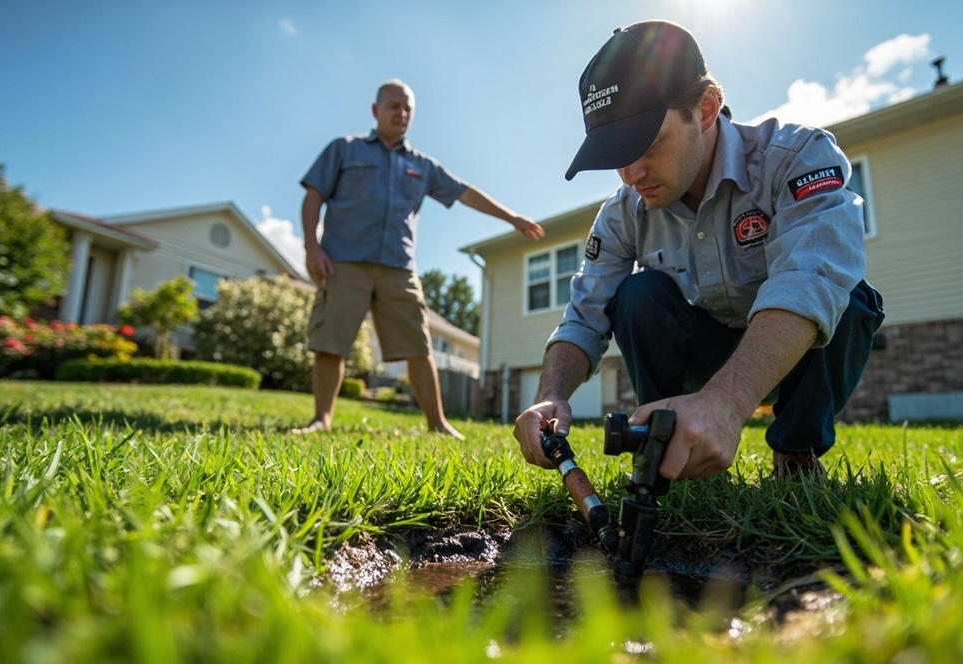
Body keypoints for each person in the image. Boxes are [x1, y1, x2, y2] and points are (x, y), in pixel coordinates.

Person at [514, 21, 884, 480]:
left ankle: (796, 456)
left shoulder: (796, 157)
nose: (630, 174)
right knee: (637, 295)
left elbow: (811, 279)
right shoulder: (622, 214)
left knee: (849, 295)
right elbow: (584, 315)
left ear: (706, 109)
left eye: (646, 145)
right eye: (615, 156)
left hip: (794, 354)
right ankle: (669, 446)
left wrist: (725, 404)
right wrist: (550, 393)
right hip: (703, 349)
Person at [301, 79, 544, 438]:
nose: (401, 113)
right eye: (394, 106)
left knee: (419, 346)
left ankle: (437, 423)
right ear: (376, 110)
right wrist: (311, 246)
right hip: (344, 262)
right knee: (331, 344)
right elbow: (313, 197)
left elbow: (464, 192)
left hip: (398, 268)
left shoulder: (421, 165)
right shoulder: (344, 150)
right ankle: (321, 418)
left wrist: (511, 218)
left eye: (408, 108)